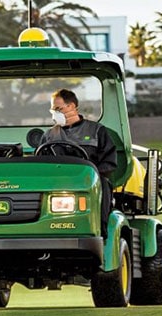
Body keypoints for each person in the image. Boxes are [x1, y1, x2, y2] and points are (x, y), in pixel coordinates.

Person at [40, 89, 117, 238]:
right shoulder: (49, 135)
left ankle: (101, 228)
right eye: (53, 109)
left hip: (89, 181)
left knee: (103, 183)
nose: (55, 113)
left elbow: (109, 162)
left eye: (58, 109)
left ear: (72, 106)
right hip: (58, 181)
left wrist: (90, 176)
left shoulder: (96, 131)